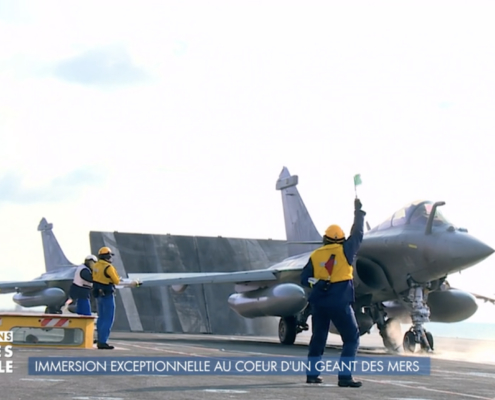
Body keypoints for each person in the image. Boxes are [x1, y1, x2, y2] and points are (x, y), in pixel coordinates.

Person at [300, 197, 366, 387]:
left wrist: (317, 283)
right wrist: (358, 212)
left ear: (325, 238)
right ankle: (345, 378)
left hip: (319, 303)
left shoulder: (315, 255)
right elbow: (358, 234)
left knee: (318, 337)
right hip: (339, 303)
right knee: (351, 338)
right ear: (341, 239)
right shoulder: (346, 251)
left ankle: (312, 375)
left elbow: (304, 279)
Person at [92, 246, 120, 350]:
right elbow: (116, 281)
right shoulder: (109, 267)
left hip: (98, 294)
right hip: (107, 294)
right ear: (108, 256)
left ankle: (100, 339)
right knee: (108, 319)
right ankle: (103, 342)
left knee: (101, 318)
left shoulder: (96, 266)